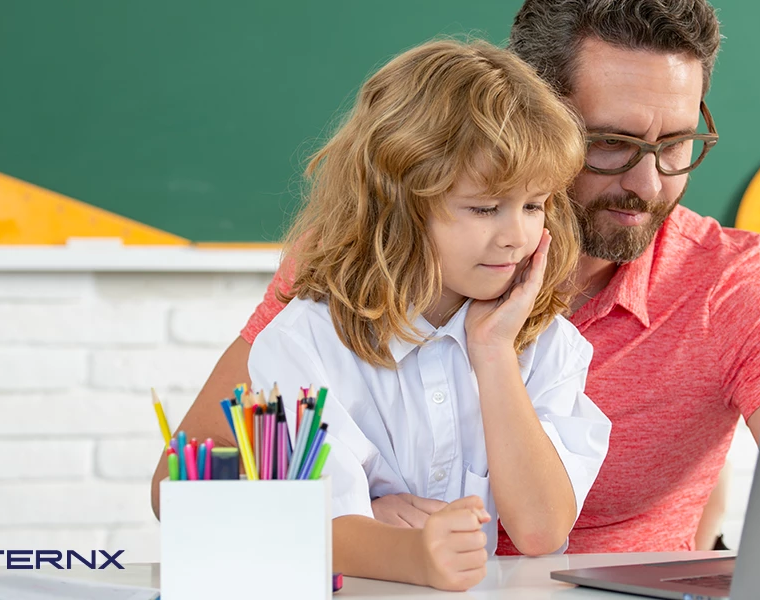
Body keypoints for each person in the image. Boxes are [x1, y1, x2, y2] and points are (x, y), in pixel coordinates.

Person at [152, 0, 760, 555]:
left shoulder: (727, 287)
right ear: (527, 116)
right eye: (610, 142)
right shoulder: (367, 263)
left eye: (676, 144)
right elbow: (182, 486)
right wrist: (359, 529)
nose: (649, 184)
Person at [245, 40, 610, 590]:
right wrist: (410, 552)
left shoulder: (544, 344)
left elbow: (540, 530)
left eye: (534, 205)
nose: (516, 236)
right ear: (400, 204)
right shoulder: (303, 345)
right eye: (485, 208)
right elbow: (311, 525)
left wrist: (492, 355)